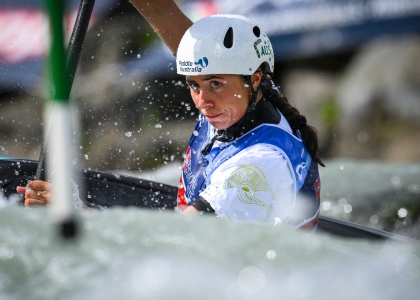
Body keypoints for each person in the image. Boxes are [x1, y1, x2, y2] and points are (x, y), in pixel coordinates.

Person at [17, 0, 324, 230]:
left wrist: (76, 211)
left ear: (254, 79)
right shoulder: (244, 98)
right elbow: (160, 11)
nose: (204, 100)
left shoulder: (257, 169)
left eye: (215, 84)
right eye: (194, 85)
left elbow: (171, 243)